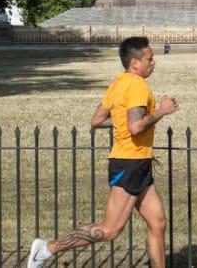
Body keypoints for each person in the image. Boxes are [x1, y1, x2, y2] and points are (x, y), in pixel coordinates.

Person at [28, 37, 179, 268]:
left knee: (157, 223)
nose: (153, 62)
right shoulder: (137, 85)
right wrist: (162, 111)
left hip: (138, 163)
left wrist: (123, 121)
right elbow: (135, 127)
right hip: (130, 164)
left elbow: (97, 120)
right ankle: (47, 249)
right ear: (135, 63)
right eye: (149, 59)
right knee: (109, 229)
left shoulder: (118, 82)